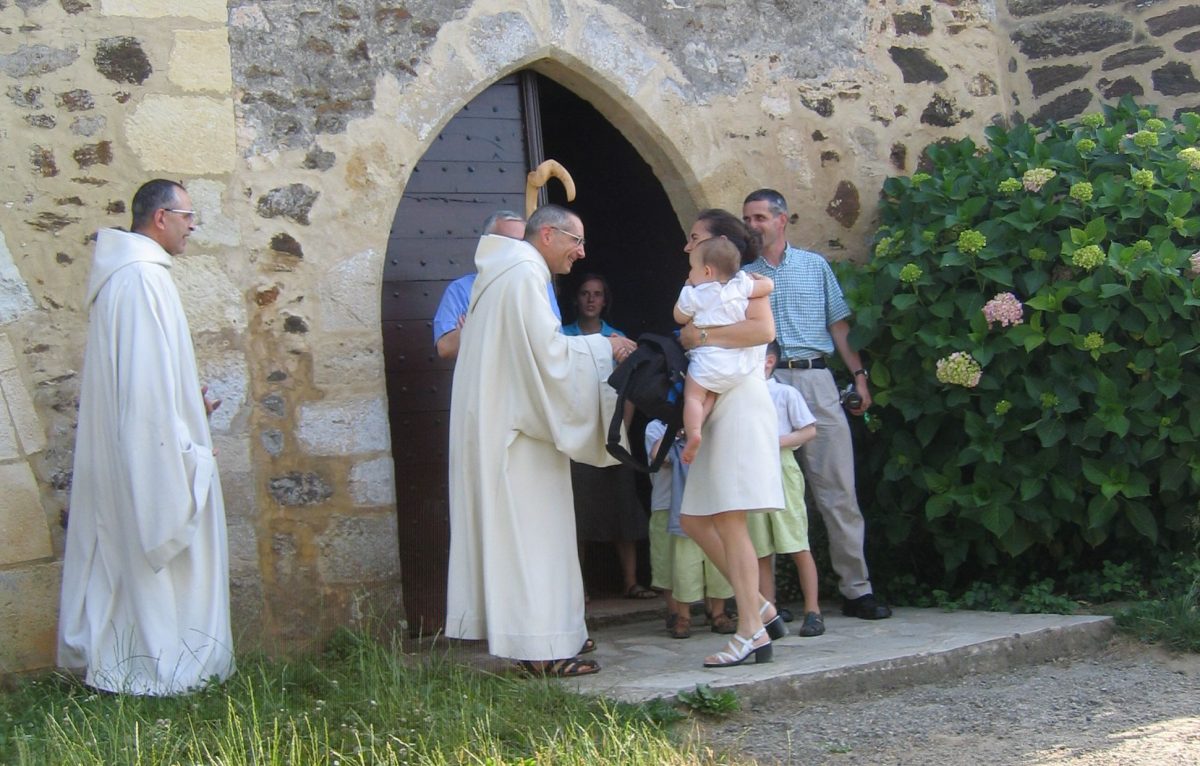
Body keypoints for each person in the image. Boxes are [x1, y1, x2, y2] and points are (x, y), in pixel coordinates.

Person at [57, 179, 235, 695]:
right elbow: (143, 394)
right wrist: (179, 454)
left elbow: (147, 380)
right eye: (188, 215)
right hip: (148, 455)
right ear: (160, 218)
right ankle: (163, 670)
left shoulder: (133, 276)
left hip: (141, 444)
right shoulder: (140, 281)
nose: (194, 225)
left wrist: (189, 406)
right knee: (158, 563)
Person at [445, 204, 637, 678]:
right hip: (520, 440)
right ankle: (543, 652)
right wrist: (603, 346)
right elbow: (548, 357)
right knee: (535, 543)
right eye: (577, 242)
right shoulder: (525, 275)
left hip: (504, 427)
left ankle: (538, 646)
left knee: (523, 543)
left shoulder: (500, 275)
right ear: (548, 235)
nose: (582, 253)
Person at [742, 188, 891, 620]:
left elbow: (839, 327)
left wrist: (859, 378)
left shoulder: (815, 266)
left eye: (759, 218)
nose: (752, 226)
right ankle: (769, 601)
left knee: (838, 489)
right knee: (764, 492)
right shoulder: (742, 275)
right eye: (747, 219)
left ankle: (856, 589)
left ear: (781, 219)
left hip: (817, 381)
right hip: (763, 385)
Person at [675, 208, 789, 668]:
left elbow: (762, 331)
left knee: (727, 518)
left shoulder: (745, 282)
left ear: (719, 242)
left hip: (740, 404)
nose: (688, 244)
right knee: (695, 519)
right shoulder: (704, 286)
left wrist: (700, 333)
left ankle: (749, 631)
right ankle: (759, 607)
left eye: (696, 236)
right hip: (720, 406)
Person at [563, 274, 653, 600]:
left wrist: (623, 435)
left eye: (597, 294)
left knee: (623, 509)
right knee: (577, 514)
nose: (590, 300)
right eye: (585, 293)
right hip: (578, 437)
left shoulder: (620, 340)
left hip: (615, 438)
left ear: (605, 301)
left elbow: (629, 390)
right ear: (576, 299)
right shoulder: (562, 338)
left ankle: (631, 581)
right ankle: (579, 588)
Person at [748, 341, 825, 637]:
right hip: (753, 472)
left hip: (781, 469)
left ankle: (812, 610)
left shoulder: (785, 393)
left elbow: (809, 429)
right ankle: (770, 612)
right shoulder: (742, 394)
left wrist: (777, 441)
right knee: (760, 548)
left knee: (796, 541)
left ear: (768, 362)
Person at [673, 237, 773, 464]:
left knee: (693, 396)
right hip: (737, 365)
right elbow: (767, 287)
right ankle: (701, 421)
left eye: (692, 268)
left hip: (708, 361)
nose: (690, 273)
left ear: (706, 271)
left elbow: (678, 316)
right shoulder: (740, 284)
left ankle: (694, 432)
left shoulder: (695, 294)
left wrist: (687, 287)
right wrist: (763, 279)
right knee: (713, 391)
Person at [645, 419, 735, 639]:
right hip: (673, 506)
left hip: (709, 506)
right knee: (677, 565)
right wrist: (678, 433)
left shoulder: (708, 425)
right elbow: (660, 457)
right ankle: (680, 615)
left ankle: (718, 613)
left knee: (715, 562)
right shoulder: (656, 427)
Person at [431, 211, 561, 359]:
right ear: (488, 244)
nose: (519, 249)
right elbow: (445, 348)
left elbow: (551, 339)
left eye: (523, 243)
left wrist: (473, 328)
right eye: (510, 242)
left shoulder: (541, 284)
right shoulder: (460, 289)